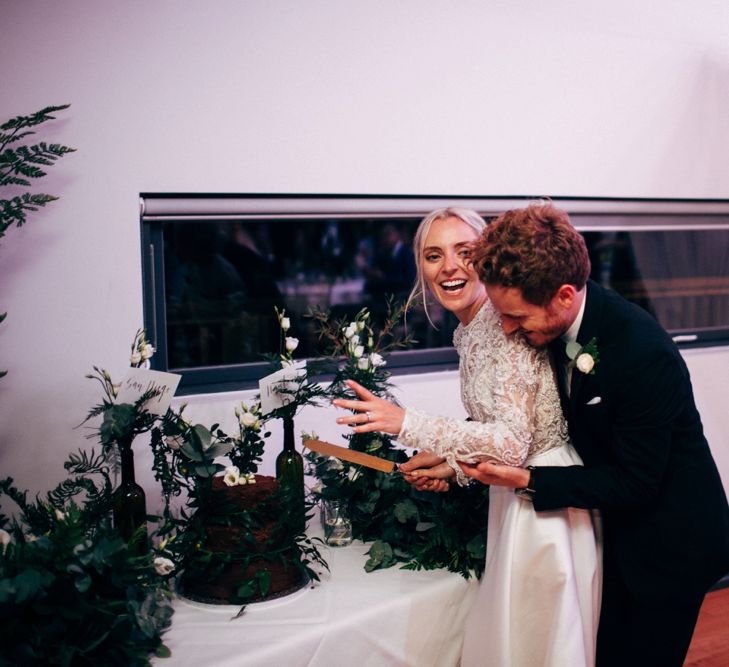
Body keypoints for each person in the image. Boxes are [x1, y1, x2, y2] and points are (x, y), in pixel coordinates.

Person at [460, 202, 729, 667]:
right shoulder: (552, 322)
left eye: (517, 317)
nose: (506, 327)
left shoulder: (642, 353)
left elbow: (637, 482)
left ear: (564, 296)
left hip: (670, 544)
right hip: (616, 527)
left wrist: (526, 480)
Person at [333, 207, 601, 667]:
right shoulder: (472, 329)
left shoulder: (506, 326)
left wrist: (405, 422)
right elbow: (501, 428)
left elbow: (514, 443)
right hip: (516, 493)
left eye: (464, 251)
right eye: (434, 255)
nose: (449, 267)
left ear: (489, 258)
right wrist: (451, 466)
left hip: (544, 506)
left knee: (535, 645)